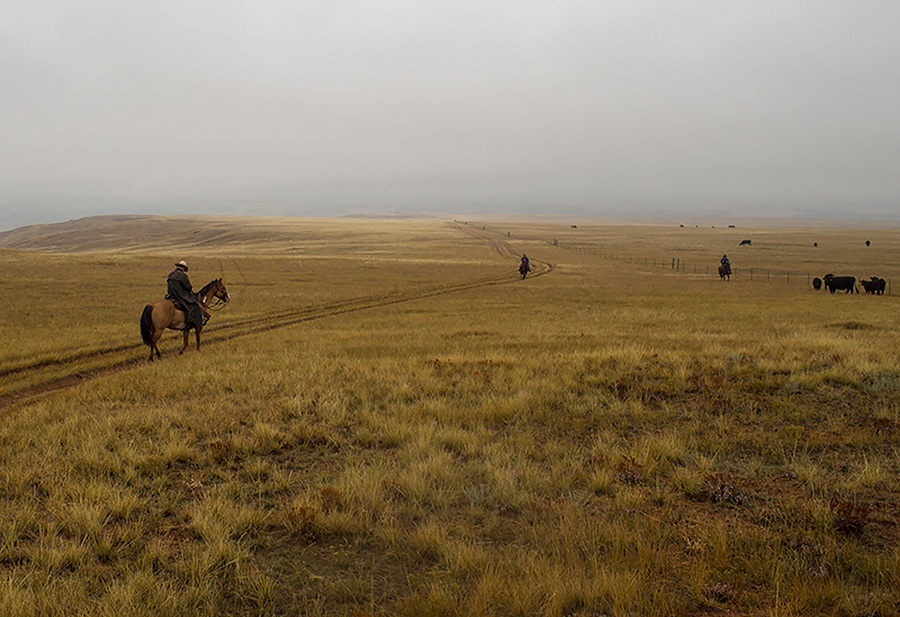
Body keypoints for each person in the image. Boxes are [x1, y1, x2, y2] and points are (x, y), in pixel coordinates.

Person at [166, 260, 207, 328]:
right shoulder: (182, 275)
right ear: (183, 268)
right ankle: (198, 320)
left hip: (170, 295)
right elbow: (188, 287)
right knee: (195, 303)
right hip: (180, 295)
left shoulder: (171, 274)